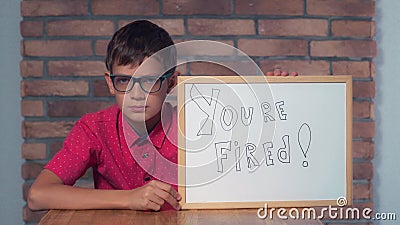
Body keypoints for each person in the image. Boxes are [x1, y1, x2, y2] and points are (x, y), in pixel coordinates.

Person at [28, 20, 297, 212]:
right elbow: (39, 195)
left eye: (150, 81)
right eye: (125, 81)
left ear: (171, 83)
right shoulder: (94, 129)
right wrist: (128, 199)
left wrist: (275, 98)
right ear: (110, 83)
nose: (137, 94)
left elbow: (251, 152)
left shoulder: (196, 121)